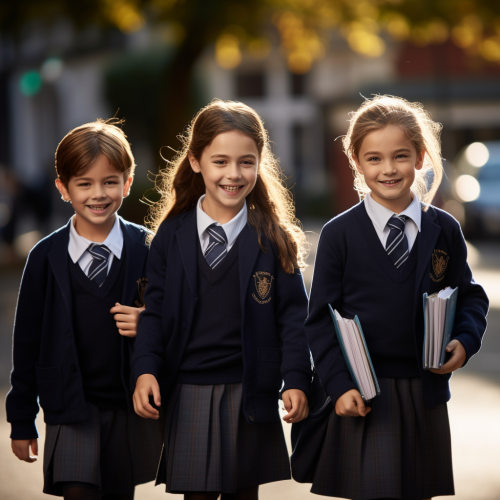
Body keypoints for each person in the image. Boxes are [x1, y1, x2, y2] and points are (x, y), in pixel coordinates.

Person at [304, 95, 489, 500]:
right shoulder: (339, 235)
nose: (388, 169)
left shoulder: (445, 229)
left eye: (400, 156)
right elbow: (319, 320)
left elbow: (471, 296)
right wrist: (338, 385)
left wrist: (466, 340)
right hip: (364, 394)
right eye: (374, 158)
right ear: (355, 162)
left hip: (425, 394)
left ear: (421, 157)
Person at [131, 99, 311, 500]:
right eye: (220, 162)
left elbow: (294, 318)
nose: (234, 174)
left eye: (246, 162)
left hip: (252, 392)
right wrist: (145, 370)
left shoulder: (273, 239)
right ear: (196, 161)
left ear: (260, 162)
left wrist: (296, 378)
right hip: (188, 391)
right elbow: (154, 314)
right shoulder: (170, 237)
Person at [6, 119, 163, 500]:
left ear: (127, 182)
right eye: (84, 184)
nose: (99, 194)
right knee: (78, 492)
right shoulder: (45, 256)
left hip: (127, 409)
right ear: (63, 188)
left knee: (118, 494)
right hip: (70, 409)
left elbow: (172, 316)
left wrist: (149, 323)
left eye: (110, 182)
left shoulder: (147, 249)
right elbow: (25, 343)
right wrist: (21, 418)